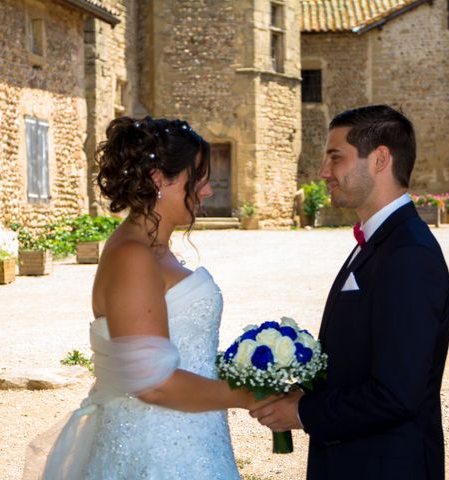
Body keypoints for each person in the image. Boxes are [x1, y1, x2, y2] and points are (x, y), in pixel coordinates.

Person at [25, 116, 270, 479]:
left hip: (194, 438)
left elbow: (178, 348)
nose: (207, 190)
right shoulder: (133, 256)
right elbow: (153, 384)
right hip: (156, 449)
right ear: (159, 180)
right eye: (198, 178)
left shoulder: (154, 249)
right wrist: (248, 396)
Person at [251, 105, 449, 479]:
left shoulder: (408, 253)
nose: (324, 172)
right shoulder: (380, 240)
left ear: (379, 159)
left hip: (384, 465)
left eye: (335, 158)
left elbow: (397, 393)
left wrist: (302, 412)